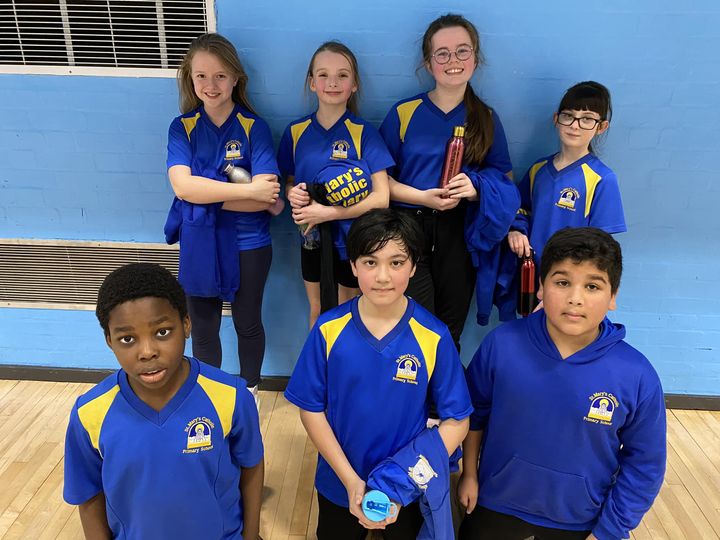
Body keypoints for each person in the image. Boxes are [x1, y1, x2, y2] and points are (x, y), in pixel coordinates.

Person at [458, 228, 666, 540]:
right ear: (541, 287)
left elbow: (645, 463)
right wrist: (469, 474)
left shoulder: (637, 375)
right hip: (494, 503)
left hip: (581, 521)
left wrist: (610, 530)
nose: (575, 299)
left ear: (613, 297)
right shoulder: (501, 345)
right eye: (562, 282)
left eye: (592, 286)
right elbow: (474, 415)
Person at [284, 209, 472, 539]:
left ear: (413, 267)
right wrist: (350, 481)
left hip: (407, 488)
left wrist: (402, 482)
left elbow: (458, 420)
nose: (383, 276)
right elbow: (311, 409)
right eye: (370, 262)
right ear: (353, 266)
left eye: (396, 262)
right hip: (339, 481)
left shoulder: (434, 336)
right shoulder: (328, 330)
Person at [63, 263, 264, 539]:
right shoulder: (89, 414)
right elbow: (88, 496)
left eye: (162, 332)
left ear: (186, 324)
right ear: (109, 340)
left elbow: (251, 465)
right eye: (127, 338)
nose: (147, 352)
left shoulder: (231, 396)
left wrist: (251, 535)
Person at [380, 13, 516, 346]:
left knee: (449, 332)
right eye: (442, 53)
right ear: (428, 63)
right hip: (407, 228)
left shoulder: (486, 118)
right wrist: (422, 197)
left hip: (460, 232)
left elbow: (505, 183)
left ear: (475, 58)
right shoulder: (403, 112)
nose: (453, 60)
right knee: (416, 328)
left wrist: (476, 189)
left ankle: (446, 383)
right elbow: (380, 182)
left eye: (462, 51)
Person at [165, 33, 281, 399]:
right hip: (200, 243)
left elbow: (267, 197)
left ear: (235, 78)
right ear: (190, 79)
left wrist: (205, 195)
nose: (210, 85)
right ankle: (210, 396)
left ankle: (250, 393)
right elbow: (182, 188)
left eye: (220, 76)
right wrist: (247, 191)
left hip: (249, 243)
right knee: (203, 329)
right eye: (201, 76)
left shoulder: (254, 127)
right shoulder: (182, 127)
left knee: (247, 323)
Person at [278, 41, 394, 327]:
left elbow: (382, 198)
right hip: (311, 238)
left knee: (347, 312)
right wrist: (292, 194)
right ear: (312, 83)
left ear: (354, 84)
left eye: (342, 75)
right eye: (323, 75)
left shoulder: (364, 133)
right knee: (317, 310)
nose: (332, 83)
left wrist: (330, 213)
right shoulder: (296, 132)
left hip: (353, 241)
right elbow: (289, 182)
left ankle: (345, 358)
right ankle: (318, 358)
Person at [508, 81, 626, 267]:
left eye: (587, 119)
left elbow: (600, 245)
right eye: (568, 116)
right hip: (528, 271)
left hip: (569, 277)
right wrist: (516, 231)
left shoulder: (602, 179)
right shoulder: (538, 169)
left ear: (601, 127)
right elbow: (519, 209)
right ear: (556, 119)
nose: (574, 125)